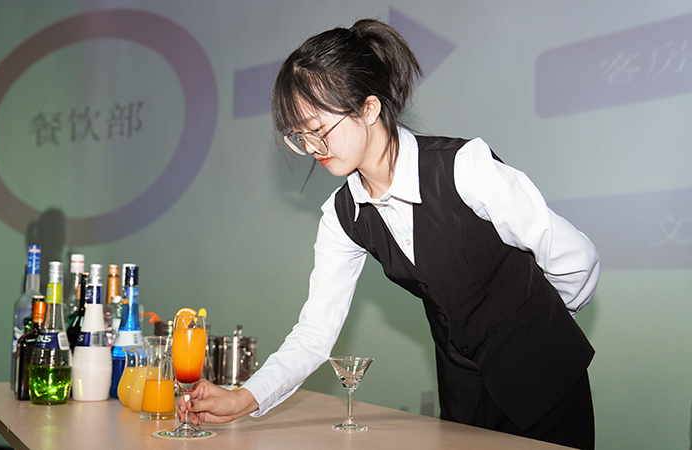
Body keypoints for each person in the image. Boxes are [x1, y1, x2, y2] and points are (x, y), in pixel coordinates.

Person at [182, 18, 599, 449]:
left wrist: (541, 326)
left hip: (548, 390)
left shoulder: (464, 167)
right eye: (299, 136)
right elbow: (314, 333)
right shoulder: (342, 215)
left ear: (369, 108)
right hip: (463, 398)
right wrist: (244, 398)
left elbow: (576, 258)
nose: (311, 148)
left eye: (319, 130)